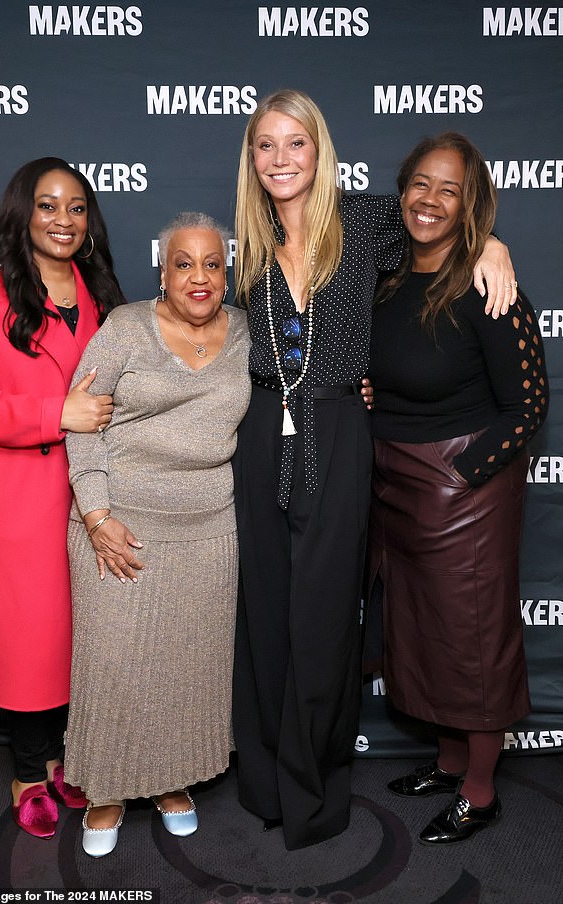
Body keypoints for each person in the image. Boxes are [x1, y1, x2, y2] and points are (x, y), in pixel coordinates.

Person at [230, 89, 518, 850]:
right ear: (252, 159)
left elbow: (444, 221)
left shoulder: (363, 222)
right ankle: (263, 780)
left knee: (325, 619)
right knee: (263, 612)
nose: (282, 159)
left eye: (296, 143)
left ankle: (315, 789)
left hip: (337, 430)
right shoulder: (249, 242)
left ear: (319, 151)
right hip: (263, 434)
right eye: (267, 145)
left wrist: (493, 244)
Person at [368, 132, 548, 844]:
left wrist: (464, 476)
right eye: (419, 184)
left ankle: (480, 790)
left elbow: (528, 405)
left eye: (450, 190)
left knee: (472, 642)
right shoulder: (385, 273)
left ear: (472, 203)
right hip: (392, 481)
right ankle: (447, 762)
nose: (430, 201)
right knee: (419, 633)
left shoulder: (489, 284)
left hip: (464, 490)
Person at [0, 157, 126, 838]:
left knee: (86, 635)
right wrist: (60, 412)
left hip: (91, 498)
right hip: (15, 500)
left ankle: (73, 758)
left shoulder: (102, 292)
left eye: (77, 207)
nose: (63, 220)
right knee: (28, 639)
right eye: (48, 206)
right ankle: (29, 768)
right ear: (23, 213)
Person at [63, 212, 252, 857]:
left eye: (212, 265)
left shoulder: (250, 333)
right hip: (121, 525)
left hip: (206, 530)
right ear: (161, 272)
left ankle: (174, 784)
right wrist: (95, 517)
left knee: (188, 667)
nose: (199, 278)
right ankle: (107, 792)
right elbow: (80, 421)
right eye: (184, 264)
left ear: (227, 274)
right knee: (115, 668)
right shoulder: (125, 329)